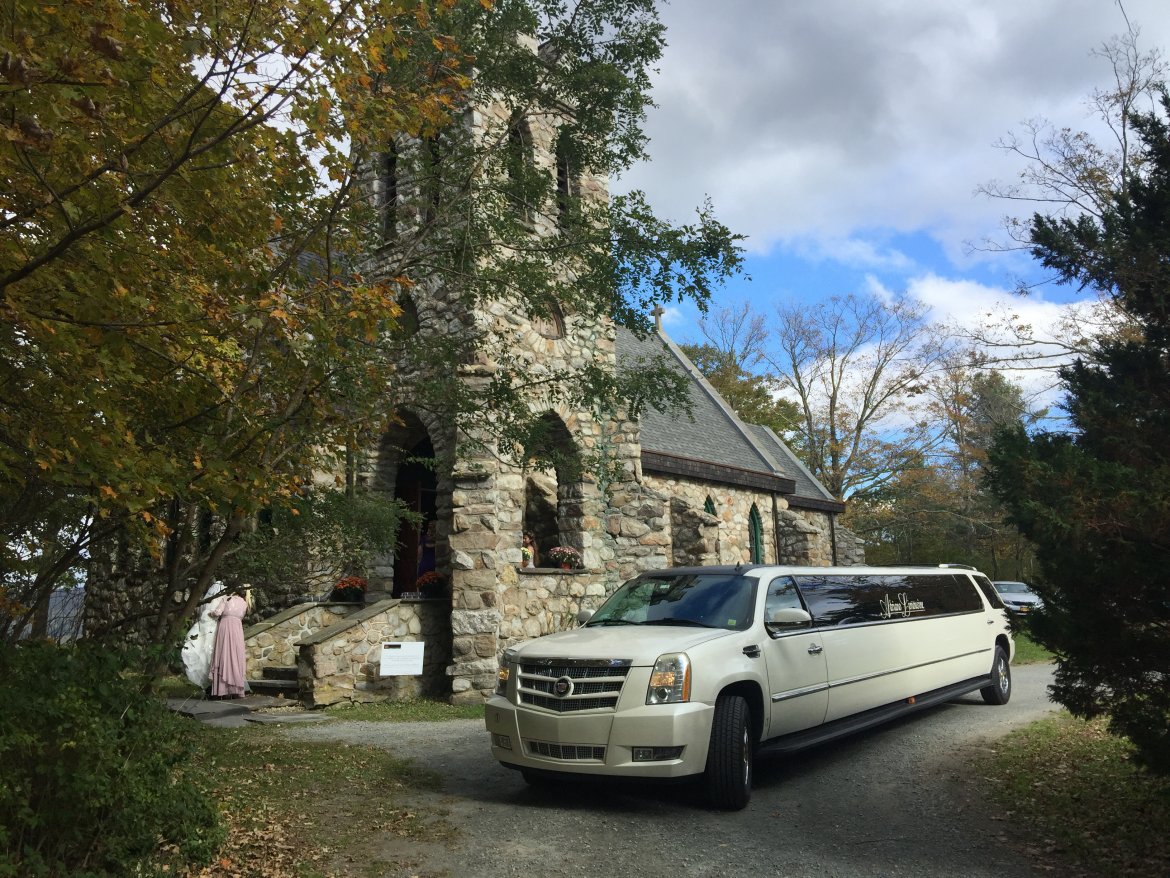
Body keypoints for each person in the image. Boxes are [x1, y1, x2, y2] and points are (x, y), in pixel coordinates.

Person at [209, 588, 252, 699]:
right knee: (236, 655)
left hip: (225, 626)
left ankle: (222, 689)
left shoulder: (226, 598)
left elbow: (218, 612)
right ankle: (235, 689)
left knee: (224, 653)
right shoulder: (244, 603)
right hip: (237, 629)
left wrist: (210, 614)